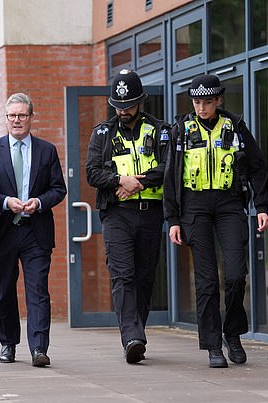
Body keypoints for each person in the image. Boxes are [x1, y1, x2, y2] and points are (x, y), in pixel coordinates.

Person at [163, 74, 268, 368]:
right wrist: (172, 218)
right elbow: (171, 177)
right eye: (197, 102)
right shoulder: (181, 130)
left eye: (207, 102)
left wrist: (261, 205)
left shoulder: (234, 126)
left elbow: (258, 166)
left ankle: (232, 333)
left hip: (229, 203)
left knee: (236, 274)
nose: (201, 108)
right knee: (207, 282)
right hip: (194, 207)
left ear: (218, 100)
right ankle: (212, 346)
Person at [85, 70, 170, 364]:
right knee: (123, 275)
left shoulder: (160, 131)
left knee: (145, 278)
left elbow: (169, 167)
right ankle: (132, 337)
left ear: (141, 102)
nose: (123, 111)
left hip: (150, 214)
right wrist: (121, 180)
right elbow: (92, 172)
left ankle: (136, 332)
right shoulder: (102, 134)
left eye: (129, 105)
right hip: (117, 216)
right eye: (118, 105)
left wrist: (139, 182)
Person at [0, 93, 67, 367]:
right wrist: (7, 202)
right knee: (4, 289)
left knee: (38, 290)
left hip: (36, 231)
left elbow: (58, 189)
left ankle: (39, 348)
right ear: (6, 119)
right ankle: (8, 343)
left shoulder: (46, 150)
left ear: (31, 117)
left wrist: (39, 202)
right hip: (4, 231)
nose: (17, 120)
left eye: (22, 115)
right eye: (12, 116)